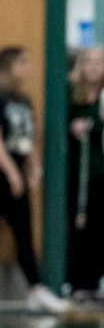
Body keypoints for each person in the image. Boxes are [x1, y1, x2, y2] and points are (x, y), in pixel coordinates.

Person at [0, 47, 67, 315]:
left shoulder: (23, 101)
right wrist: (11, 171)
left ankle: (36, 289)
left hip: (16, 176)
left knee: (24, 234)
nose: (28, 67)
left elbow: (27, 139)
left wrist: (35, 168)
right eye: (23, 62)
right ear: (8, 66)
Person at [66, 46, 104, 298]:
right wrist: (74, 126)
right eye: (89, 61)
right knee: (79, 225)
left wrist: (95, 124)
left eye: (99, 61)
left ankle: (95, 280)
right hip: (76, 170)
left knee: (99, 226)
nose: (93, 66)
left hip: (99, 170)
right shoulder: (70, 92)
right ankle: (77, 281)